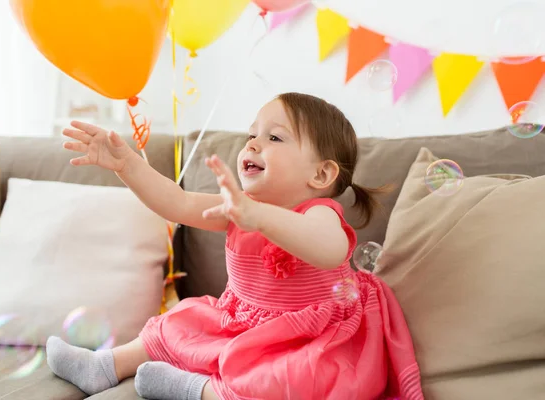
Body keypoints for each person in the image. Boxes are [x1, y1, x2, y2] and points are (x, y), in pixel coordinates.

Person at [46, 92, 423, 400]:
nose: (254, 144)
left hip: (310, 339)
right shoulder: (237, 208)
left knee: (292, 379)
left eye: (274, 137)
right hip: (243, 322)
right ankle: (105, 366)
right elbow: (175, 203)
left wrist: (259, 218)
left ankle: (202, 391)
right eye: (251, 135)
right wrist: (126, 165)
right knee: (177, 323)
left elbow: (328, 249)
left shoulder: (319, 213)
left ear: (321, 173)